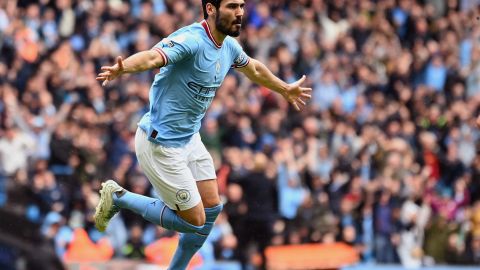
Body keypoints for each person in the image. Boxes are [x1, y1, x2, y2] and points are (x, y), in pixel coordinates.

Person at [94, 0, 312, 269]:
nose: (240, 12)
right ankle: (118, 197)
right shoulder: (191, 40)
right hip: (160, 144)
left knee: (212, 210)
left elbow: (253, 68)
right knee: (193, 220)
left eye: (242, 6)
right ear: (211, 9)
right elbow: (153, 57)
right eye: (232, 6)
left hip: (190, 138)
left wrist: (284, 88)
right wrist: (124, 67)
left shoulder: (229, 46)